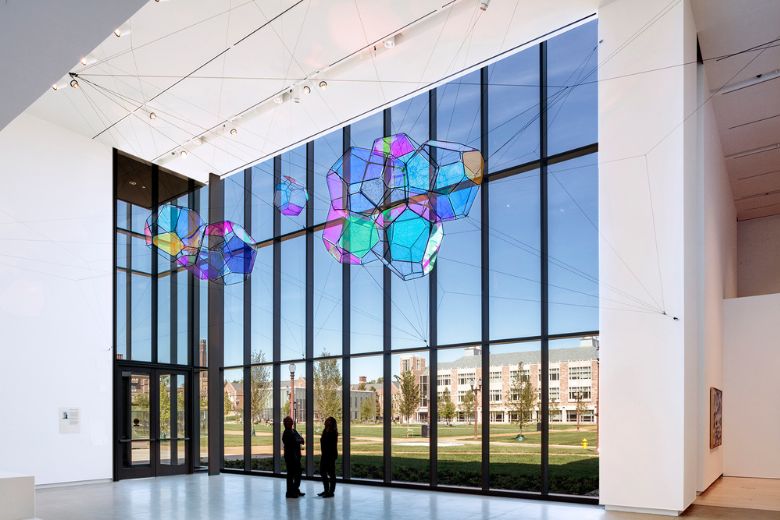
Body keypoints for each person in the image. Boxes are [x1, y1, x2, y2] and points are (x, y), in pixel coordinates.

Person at [282, 416, 305, 498]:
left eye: (290, 421)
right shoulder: (286, 433)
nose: (289, 423)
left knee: (298, 474)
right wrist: (298, 440)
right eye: (287, 422)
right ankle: (290, 492)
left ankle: (295, 489)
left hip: (296, 456)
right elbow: (294, 441)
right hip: (290, 456)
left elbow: (302, 440)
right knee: (291, 474)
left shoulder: (294, 431)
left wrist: (298, 440)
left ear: (292, 423)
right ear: (284, 423)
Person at [318, 417, 338, 498]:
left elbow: (331, 445)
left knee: (331, 473)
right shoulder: (325, 431)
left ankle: (331, 492)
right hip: (325, 454)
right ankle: (326, 490)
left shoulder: (332, 432)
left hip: (330, 455)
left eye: (329, 421)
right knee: (323, 472)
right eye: (327, 420)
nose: (327, 422)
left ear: (332, 423)